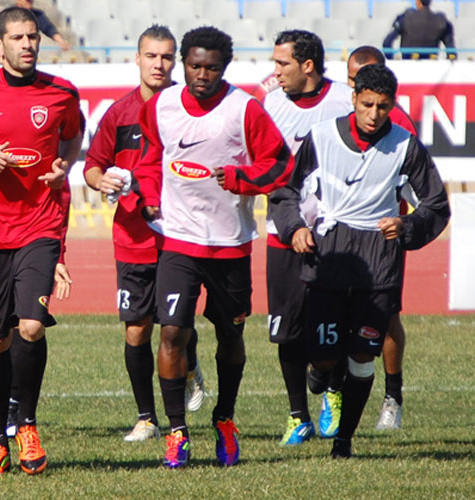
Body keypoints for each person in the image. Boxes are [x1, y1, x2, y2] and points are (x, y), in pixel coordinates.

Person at [270, 63, 449, 458]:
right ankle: (323, 375)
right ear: (353, 99)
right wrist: (295, 228)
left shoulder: (405, 146)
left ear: (392, 105)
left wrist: (406, 225)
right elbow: (285, 190)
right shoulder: (321, 137)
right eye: (367, 104)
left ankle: (344, 440)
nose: (373, 115)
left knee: (363, 353)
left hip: (379, 262)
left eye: (383, 107)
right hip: (330, 254)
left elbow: (436, 205)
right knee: (323, 353)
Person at [133, 26, 291, 468]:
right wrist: (147, 194)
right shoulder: (162, 104)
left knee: (230, 336)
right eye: (195, 65)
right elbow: (149, 154)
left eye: (212, 68)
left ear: (225, 68)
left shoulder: (244, 110)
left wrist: (242, 179)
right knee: (171, 332)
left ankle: (224, 419)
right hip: (179, 240)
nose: (203, 75)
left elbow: (279, 163)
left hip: (230, 245)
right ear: (184, 63)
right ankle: (178, 432)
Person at [0, 6, 83, 475]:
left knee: (29, 327)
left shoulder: (62, 93)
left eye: (33, 37)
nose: (28, 44)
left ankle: (26, 425)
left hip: (40, 227)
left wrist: (64, 163)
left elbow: (74, 135)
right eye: (18, 38)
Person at [83, 24, 206, 444]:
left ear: (177, 62)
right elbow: (93, 166)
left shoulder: (190, 109)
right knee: (137, 330)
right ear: (137, 59)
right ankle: (146, 419)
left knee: (174, 328)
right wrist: (102, 182)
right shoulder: (117, 114)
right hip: (132, 238)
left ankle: (189, 365)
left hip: (179, 237)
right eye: (152, 56)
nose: (159, 64)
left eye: (167, 57)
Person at [262, 29, 353, 445]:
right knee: (286, 329)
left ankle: (331, 388)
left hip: (333, 236)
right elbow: (267, 166)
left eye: (283, 64)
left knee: (330, 330)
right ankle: (297, 414)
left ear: (308, 66)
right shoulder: (271, 103)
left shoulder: (342, 102)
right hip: (281, 232)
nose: (275, 71)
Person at [339, 45, 419, 432]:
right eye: (356, 80)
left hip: (384, 237)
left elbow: (413, 184)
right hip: (340, 236)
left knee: (386, 317)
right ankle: (332, 393)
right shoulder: (338, 120)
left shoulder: (397, 124)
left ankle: (392, 395)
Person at [0, 0, 70, 52]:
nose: (30, 2)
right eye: (27, 0)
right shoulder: (8, 13)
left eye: (31, 0)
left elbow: (48, 28)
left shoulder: (37, 14)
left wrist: (60, 41)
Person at [382, 0, 455, 60]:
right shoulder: (441, 20)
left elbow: (387, 43)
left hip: (408, 63)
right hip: (431, 65)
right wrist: (450, 58)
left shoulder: (405, 18)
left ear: (418, 1)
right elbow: (451, 49)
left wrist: (391, 58)